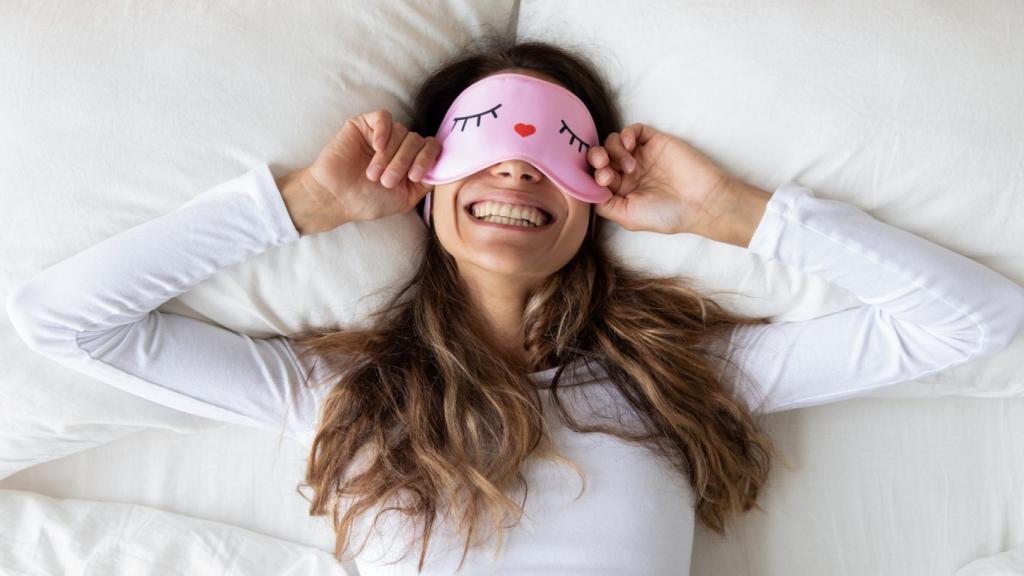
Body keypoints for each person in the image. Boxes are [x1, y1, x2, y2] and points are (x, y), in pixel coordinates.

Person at [7, 36, 1024, 576]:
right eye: (482, 139)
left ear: (596, 197)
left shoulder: (678, 384)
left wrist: (731, 213)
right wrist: (306, 205)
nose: (516, 170)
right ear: (429, 180)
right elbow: (61, 320)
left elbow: (972, 322)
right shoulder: (344, 395)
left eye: (552, 150)